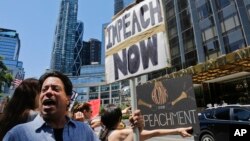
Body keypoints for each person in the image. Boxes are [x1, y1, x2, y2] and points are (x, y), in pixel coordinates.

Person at [3, 71, 144, 141]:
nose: (48, 92)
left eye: (55, 89)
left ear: (67, 99)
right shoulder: (17, 135)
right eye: (44, 89)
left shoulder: (84, 131)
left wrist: (136, 131)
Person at [99, 104, 192, 141]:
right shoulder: (120, 133)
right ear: (119, 119)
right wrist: (178, 130)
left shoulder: (105, 133)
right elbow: (154, 133)